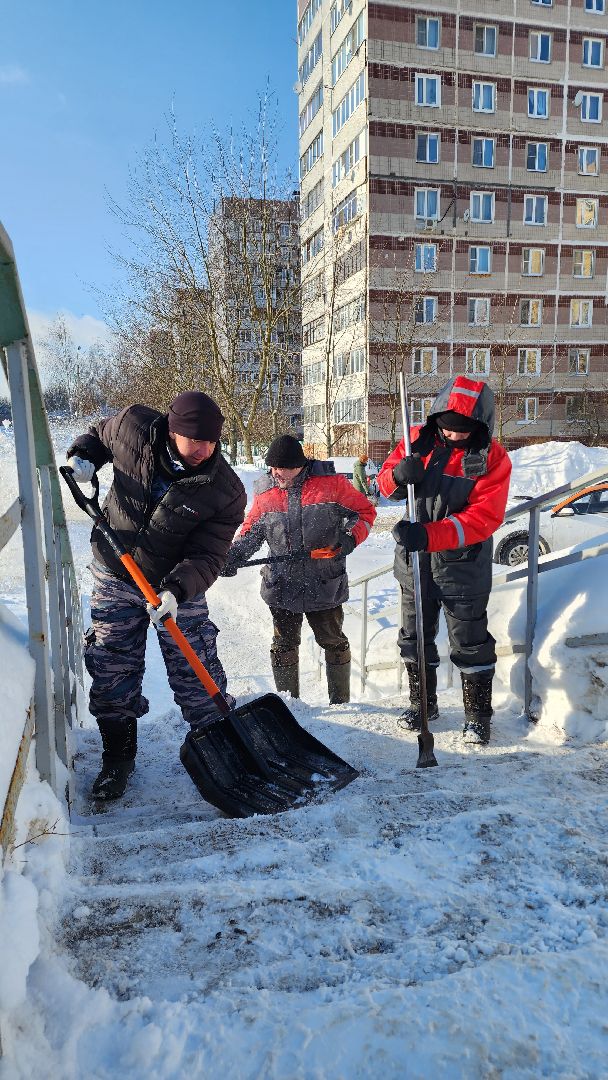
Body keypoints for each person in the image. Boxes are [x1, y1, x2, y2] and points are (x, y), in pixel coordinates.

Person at [66, 391, 247, 799]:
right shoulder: (134, 428)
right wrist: (85, 455)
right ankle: (118, 758)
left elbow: (208, 555)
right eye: (194, 440)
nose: (203, 450)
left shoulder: (226, 491)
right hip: (115, 570)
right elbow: (99, 434)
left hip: (175, 585)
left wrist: (176, 591)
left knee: (196, 667)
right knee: (112, 666)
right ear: (172, 429)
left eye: (211, 441)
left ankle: (221, 751)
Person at [377, 375, 512, 745]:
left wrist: (429, 535)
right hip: (413, 566)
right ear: (437, 419)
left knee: (470, 641)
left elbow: (483, 518)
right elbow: (382, 486)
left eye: (462, 432)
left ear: (480, 427)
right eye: (448, 430)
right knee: (414, 638)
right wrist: (396, 475)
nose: (453, 437)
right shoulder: (417, 438)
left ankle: (478, 717)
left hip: (463, 568)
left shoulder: (492, 458)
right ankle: (423, 704)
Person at [221, 434, 376, 704]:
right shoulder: (266, 491)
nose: (275, 473)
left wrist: (350, 537)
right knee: (283, 646)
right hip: (282, 584)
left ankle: (340, 703)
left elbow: (364, 513)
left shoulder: (332, 486)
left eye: (282, 468)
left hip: (324, 581)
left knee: (333, 641)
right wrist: (235, 555)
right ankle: (290, 706)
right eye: (272, 467)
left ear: (299, 465)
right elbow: (252, 532)